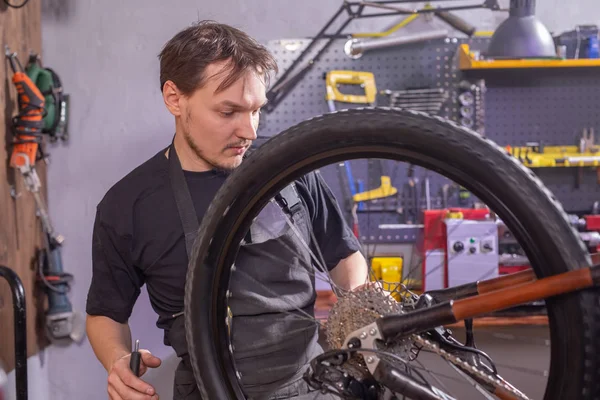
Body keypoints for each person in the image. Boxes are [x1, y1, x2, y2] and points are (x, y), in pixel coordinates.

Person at [85, 20, 369, 400]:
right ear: (174, 98)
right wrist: (117, 360)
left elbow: (345, 255)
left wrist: (357, 302)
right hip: (208, 392)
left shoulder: (289, 169)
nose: (249, 131)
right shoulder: (128, 206)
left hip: (311, 386)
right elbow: (105, 312)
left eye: (255, 111)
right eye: (228, 112)